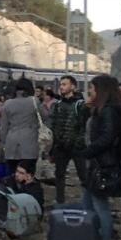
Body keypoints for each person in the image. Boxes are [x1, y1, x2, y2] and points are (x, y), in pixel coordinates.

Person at [83, 75, 121, 240]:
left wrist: (88, 151)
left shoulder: (109, 111)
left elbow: (107, 137)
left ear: (101, 90)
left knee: (100, 205)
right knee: (87, 203)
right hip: (100, 163)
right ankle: (87, 239)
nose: (90, 93)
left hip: (103, 164)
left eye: (92, 89)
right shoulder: (105, 109)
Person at [49, 75, 88, 204]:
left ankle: (88, 202)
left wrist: (79, 142)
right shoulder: (57, 105)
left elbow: (85, 126)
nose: (61, 87)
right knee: (59, 175)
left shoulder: (80, 105)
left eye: (64, 84)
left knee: (84, 176)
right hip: (60, 147)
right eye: (61, 84)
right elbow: (52, 126)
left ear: (73, 87)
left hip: (77, 147)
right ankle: (60, 201)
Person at [0, 77, 47, 173]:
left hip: (11, 143)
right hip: (30, 143)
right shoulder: (34, 101)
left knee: (12, 173)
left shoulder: (7, 104)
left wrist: (4, 143)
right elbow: (45, 116)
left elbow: (3, 127)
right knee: (28, 174)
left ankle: (14, 187)